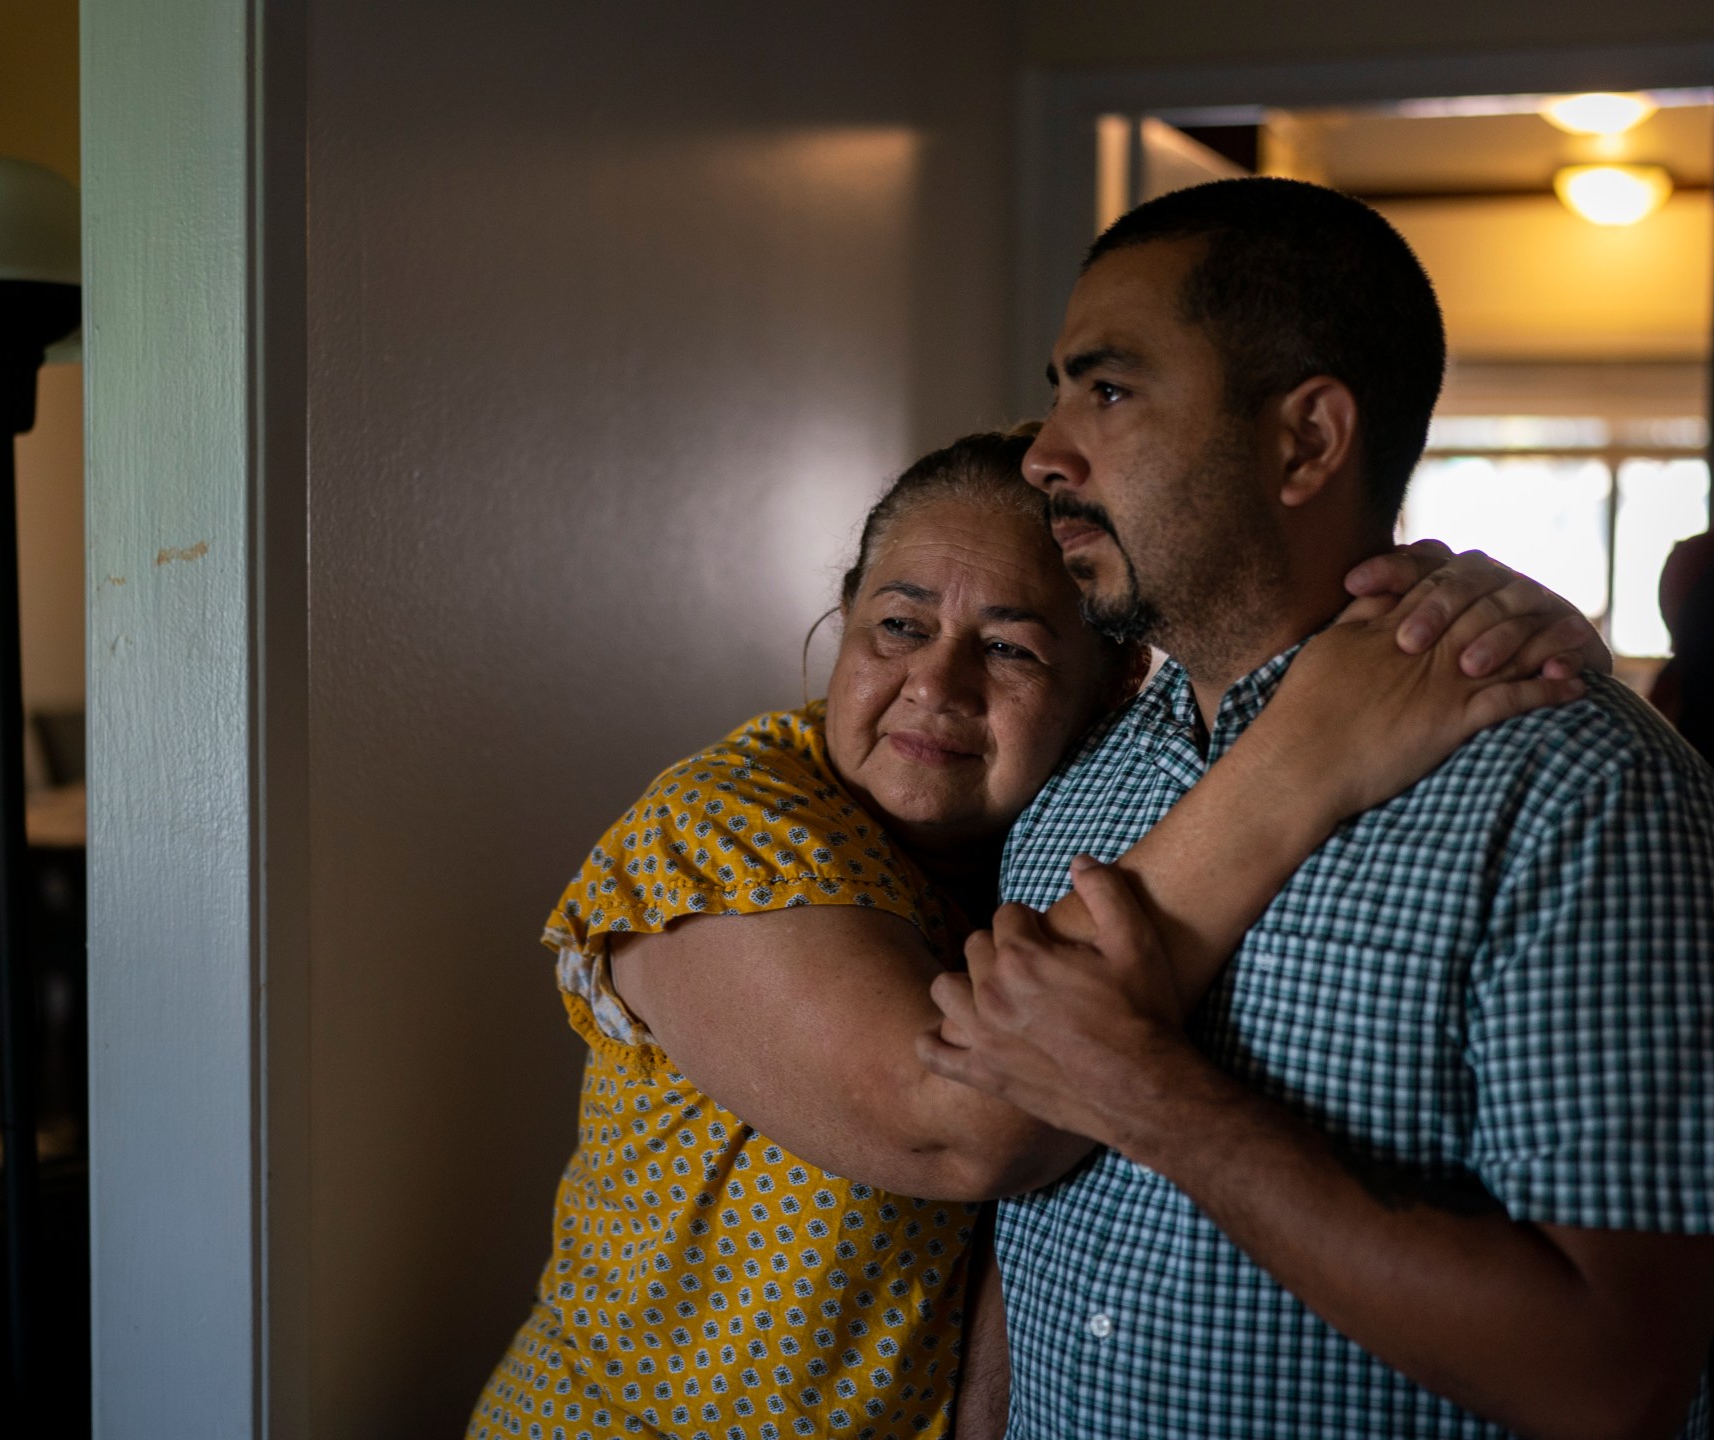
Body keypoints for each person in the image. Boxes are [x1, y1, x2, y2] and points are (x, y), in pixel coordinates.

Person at [466, 422, 1610, 1440]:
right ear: (839, 625)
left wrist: (1465, 627)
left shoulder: (1093, 813)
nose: (936, 686)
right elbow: (958, 1127)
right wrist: (1307, 756)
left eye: (1010, 648)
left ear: (1114, 690)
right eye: (897, 625)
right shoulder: (721, 831)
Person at [917, 178, 1714, 1439]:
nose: (1045, 453)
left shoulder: (1586, 794)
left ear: (1307, 441)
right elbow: (1033, 1225)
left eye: (1105, 390)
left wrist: (1152, 1098)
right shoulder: (1071, 780)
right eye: (1058, 390)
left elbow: (1612, 1380)